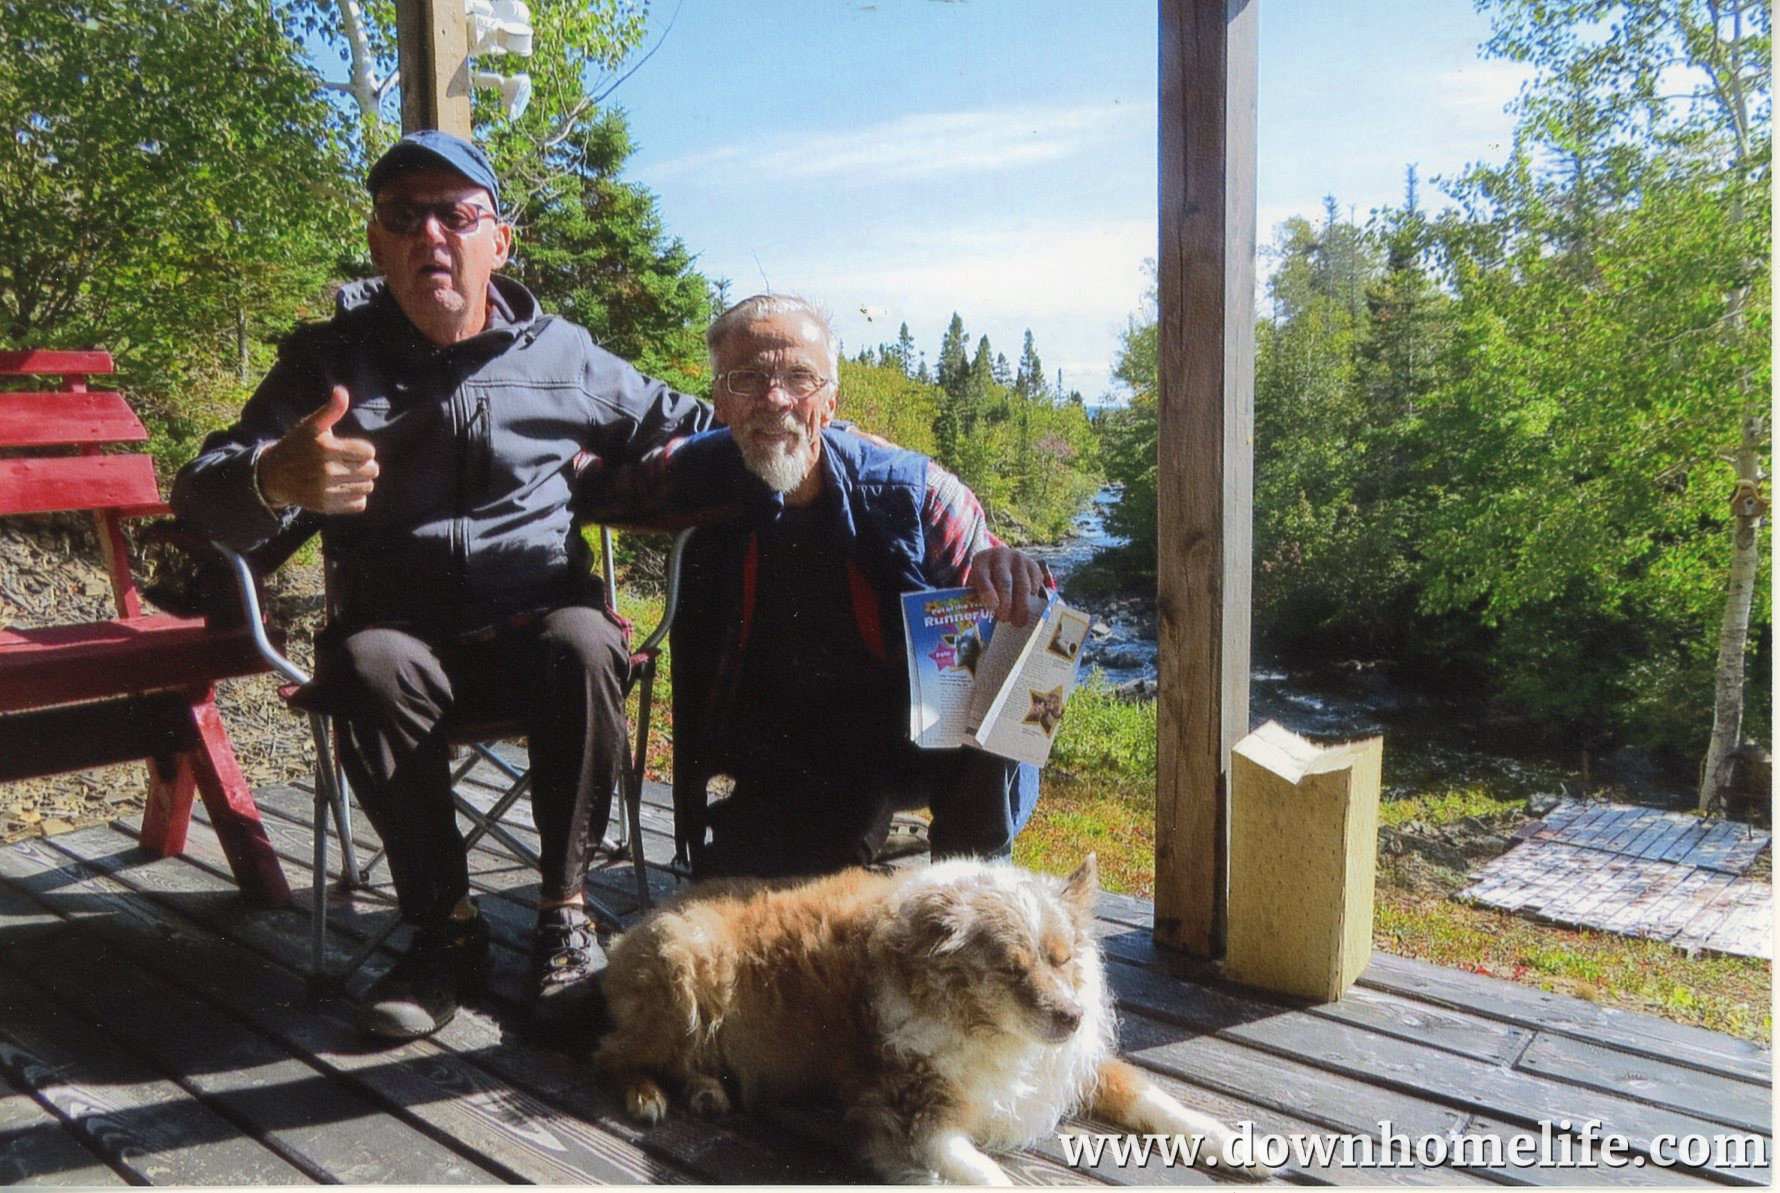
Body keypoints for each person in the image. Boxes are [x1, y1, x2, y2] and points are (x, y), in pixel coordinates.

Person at [172, 131, 711, 1041]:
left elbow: (691, 425)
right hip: (399, 639)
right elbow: (198, 491)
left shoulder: (564, 356)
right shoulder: (326, 364)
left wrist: (808, 432)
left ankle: (565, 916)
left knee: (588, 641)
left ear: (498, 240)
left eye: (457, 215)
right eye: (403, 214)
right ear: (377, 243)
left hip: (538, 627)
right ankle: (444, 927)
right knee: (368, 664)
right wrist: (272, 476)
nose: (431, 233)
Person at [586, 294, 1049, 879]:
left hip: (927, 737)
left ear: (830, 402)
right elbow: (594, 489)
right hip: (801, 747)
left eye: (799, 378)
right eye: (748, 379)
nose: (775, 399)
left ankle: (976, 873)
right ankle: (855, 832)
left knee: (1002, 662)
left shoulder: (918, 493)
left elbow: (1029, 632)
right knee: (745, 895)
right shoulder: (697, 474)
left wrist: (1014, 577)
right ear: (720, 402)